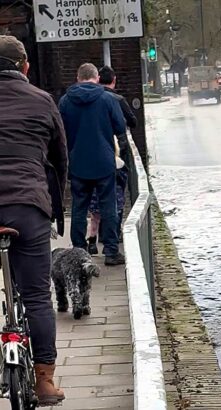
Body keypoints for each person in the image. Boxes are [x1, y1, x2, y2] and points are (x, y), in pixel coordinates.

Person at [0, 35, 67, 405]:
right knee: (38, 296)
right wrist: (56, 208)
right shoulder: (42, 101)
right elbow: (60, 158)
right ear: (25, 66)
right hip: (28, 205)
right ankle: (44, 382)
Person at [59, 63, 127, 266]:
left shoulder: (65, 102)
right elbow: (120, 126)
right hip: (104, 161)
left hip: (78, 161)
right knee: (109, 206)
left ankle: (79, 252)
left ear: (77, 78)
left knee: (79, 207)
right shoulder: (108, 98)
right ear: (97, 78)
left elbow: (60, 132)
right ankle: (111, 251)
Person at [84, 66, 136, 253]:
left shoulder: (83, 101)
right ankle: (112, 240)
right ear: (113, 79)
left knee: (93, 207)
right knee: (114, 200)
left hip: (88, 160)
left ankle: (90, 240)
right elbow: (130, 122)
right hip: (112, 158)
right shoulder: (114, 100)